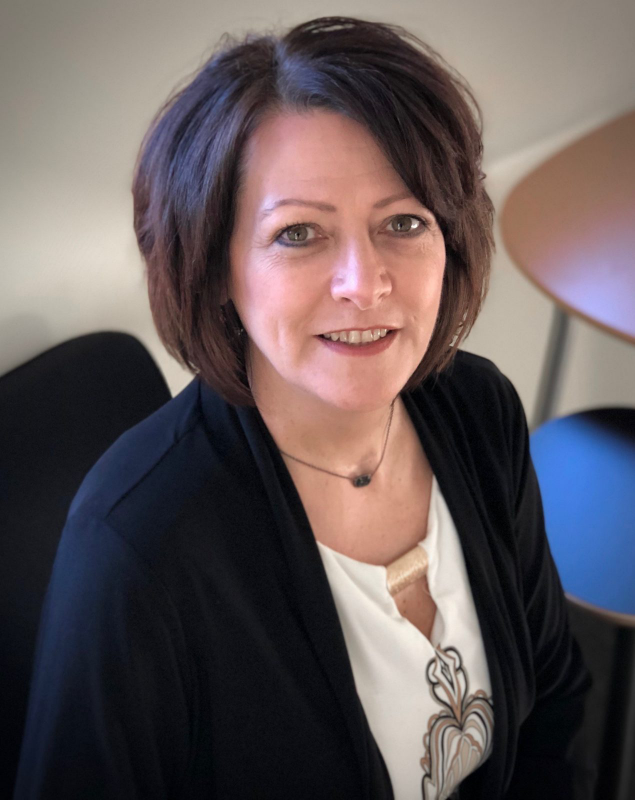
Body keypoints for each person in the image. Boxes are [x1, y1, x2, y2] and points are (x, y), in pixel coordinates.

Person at [14, 15, 593, 800]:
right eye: (298, 234)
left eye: (402, 222)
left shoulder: (476, 408)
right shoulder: (137, 550)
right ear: (216, 267)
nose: (364, 281)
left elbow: (550, 707)